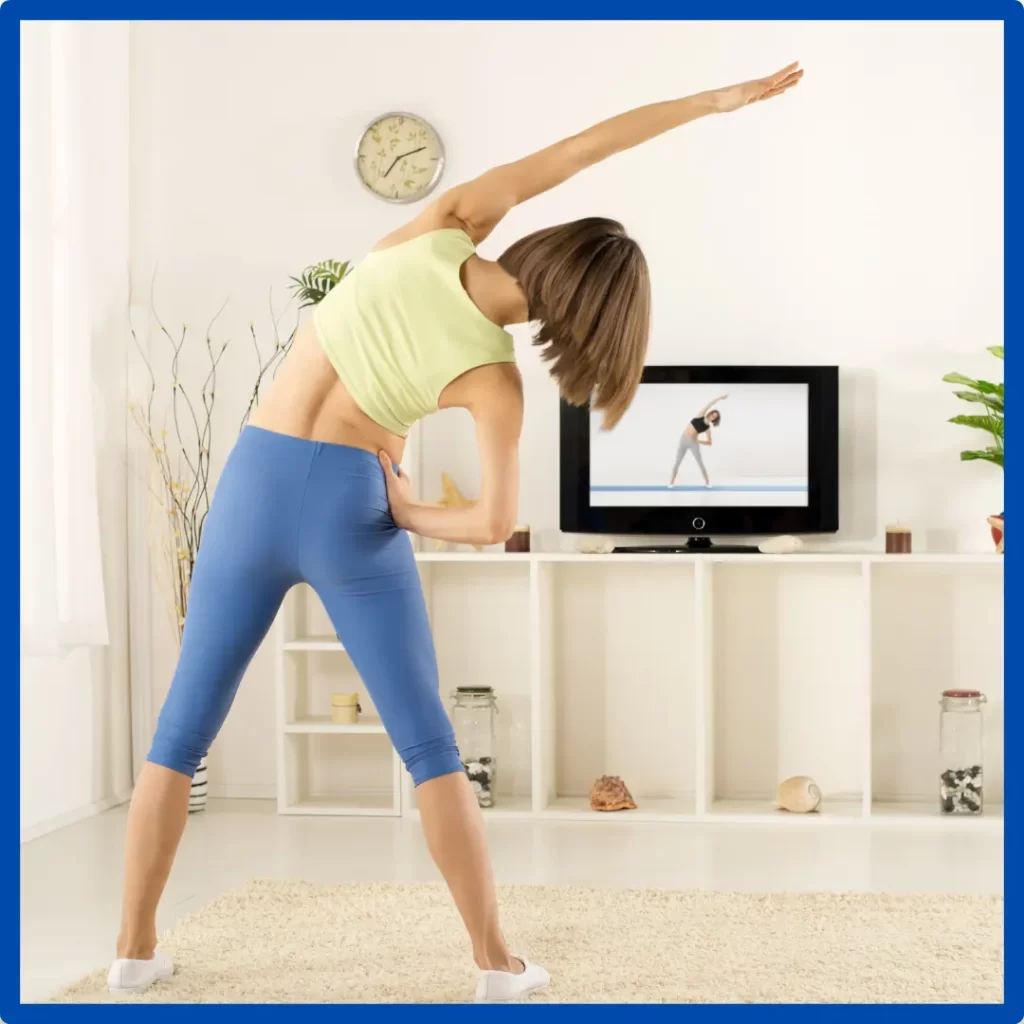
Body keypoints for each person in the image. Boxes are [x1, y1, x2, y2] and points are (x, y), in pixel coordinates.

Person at [107, 61, 803, 1003]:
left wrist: (713, 103)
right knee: (430, 749)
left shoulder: (444, 225)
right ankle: (494, 964)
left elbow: (589, 143)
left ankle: (133, 954)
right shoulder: (493, 379)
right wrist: (404, 510)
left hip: (252, 480)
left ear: (549, 241)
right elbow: (493, 523)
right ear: (591, 321)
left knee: (179, 737)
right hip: (354, 502)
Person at [669, 394, 728, 489]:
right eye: (713, 414)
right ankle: (671, 483)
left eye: (715, 417)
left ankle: (708, 483)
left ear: (715, 420)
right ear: (710, 413)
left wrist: (698, 441)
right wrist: (720, 398)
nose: (713, 416)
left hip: (693, 443)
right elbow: (710, 404)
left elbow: (709, 443)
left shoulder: (708, 428)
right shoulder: (701, 415)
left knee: (700, 462)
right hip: (683, 439)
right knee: (677, 461)